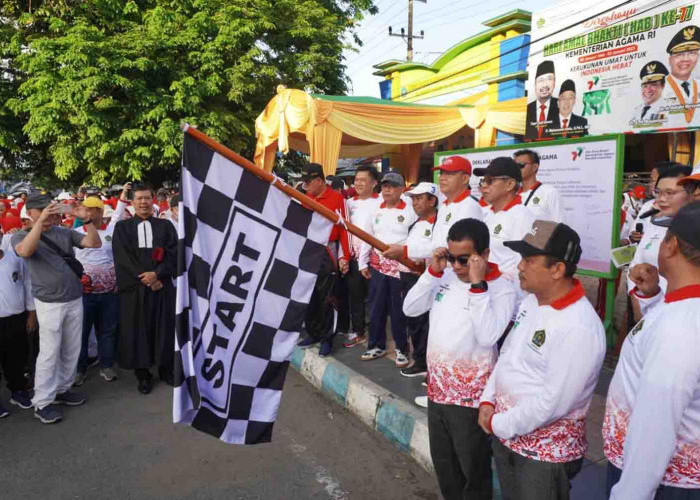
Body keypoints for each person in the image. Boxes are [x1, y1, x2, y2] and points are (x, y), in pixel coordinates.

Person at [478, 220, 606, 500]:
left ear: (558, 269)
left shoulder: (578, 326)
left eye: (529, 259)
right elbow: (508, 355)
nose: (520, 266)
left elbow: (555, 402)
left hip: (544, 458)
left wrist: (500, 424)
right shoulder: (531, 301)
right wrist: (488, 400)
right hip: (508, 436)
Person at [404, 218, 517, 499]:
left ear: (485, 255)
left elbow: (489, 335)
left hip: (470, 401)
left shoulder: (502, 288)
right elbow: (410, 307)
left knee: (473, 473)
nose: (456, 266)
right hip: (437, 392)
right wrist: (432, 272)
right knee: (446, 469)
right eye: (452, 258)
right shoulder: (446, 277)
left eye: (464, 259)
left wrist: (478, 286)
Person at [604, 202, 700, 499]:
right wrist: (652, 297)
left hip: (661, 483)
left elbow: (656, 423)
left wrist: (629, 493)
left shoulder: (681, 326)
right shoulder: (680, 311)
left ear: (670, 246)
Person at [12, 190, 102, 424]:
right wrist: (40, 224)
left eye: (50, 209)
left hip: (74, 298)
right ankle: (42, 402)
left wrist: (88, 220)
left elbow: (94, 242)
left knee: (71, 348)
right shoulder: (21, 235)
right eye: (42, 210)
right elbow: (25, 251)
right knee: (50, 353)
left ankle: (62, 389)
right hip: (49, 303)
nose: (49, 214)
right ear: (31, 213)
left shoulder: (63, 232)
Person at [112, 183, 178, 394]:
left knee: (164, 329)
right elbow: (123, 259)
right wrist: (147, 278)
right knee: (138, 332)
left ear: (153, 200)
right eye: (139, 198)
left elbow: (174, 254)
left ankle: (166, 369)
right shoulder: (122, 228)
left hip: (162, 288)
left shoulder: (165, 226)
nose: (143, 202)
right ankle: (143, 374)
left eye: (147, 198)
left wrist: (158, 274)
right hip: (135, 290)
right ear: (131, 202)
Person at [73, 185, 130, 386]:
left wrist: (123, 194)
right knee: (81, 331)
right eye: (84, 209)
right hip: (85, 292)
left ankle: (106, 366)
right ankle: (79, 369)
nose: (86, 212)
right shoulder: (77, 232)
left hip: (109, 291)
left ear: (99, 211)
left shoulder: (112, 230)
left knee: (108, 330)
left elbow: (120, 211)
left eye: (90, 209)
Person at [358, 171, 416, 366]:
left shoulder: (410, 211)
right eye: (384, 186)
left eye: (392, 186)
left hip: (401, 267)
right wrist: (362, 262)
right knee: (376, 308)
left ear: (401, 189)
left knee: (398, 310)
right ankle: (376, 345)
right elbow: (368, 237)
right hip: (378, 267)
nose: (387, 190)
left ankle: (401, 348)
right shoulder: (375, 211)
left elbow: (414, 240)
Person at [383, 182, 439, 377]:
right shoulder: (415, 223)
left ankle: (426, 363)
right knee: (413, 320)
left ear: (432, 200)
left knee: (426, 322)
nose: (415, 203)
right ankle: (420, 360)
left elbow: (436, 251)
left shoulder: (439, 224)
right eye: (413, 199)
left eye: (419, 198)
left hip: (425, 278)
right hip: (407, 276)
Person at [296, 163, 350, 357]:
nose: (305, 185)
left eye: (308, 181)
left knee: (327, 296)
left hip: (329, 249)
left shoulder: (337, 198)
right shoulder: (306, 197)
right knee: (309, 293)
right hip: (309, 249)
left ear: (319, 180)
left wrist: (345, 255)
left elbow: (345, 228)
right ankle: (313, 333)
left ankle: (327, 338)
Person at [627, 165, 693, 322]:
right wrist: (639, 301)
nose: (661, 199)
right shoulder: (656, 220)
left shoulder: (693, 235)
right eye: (659, 192)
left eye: (670, 193)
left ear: (692, 193)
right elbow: (636, 261)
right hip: (647, 307)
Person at [475, 157, 535, 284]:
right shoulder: (486, 213)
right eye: (483, 181)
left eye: (490, 181)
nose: (484, 186)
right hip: (485, 288)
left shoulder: (521, 216)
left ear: (510, 184)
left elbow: (523, 265)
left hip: (507, 294)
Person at [0, 216, 37, 417]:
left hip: (17, 317)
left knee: (16, 357)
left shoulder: (13, 257)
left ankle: (18, 391)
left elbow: (27, 284)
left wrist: (32, 314)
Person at [343, 165, 382, 348]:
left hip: (375, 259)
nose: (358, 183)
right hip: (353, 258)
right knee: (355, 297)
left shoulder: (381, 202)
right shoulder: (349, 203)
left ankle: (376, 335)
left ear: (374, 183)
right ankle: (359, 331)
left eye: (363, 180)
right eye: (356, 179)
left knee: (375, 299)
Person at [432, 156, 483, 250]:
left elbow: (459, 246)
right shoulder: (443, 206)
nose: (442, 178)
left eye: (448, 174)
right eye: (441, 173)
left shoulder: (470, 206)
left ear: (464, 179)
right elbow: (437, 242)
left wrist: (406, 250)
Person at [514, 149, 565, 223]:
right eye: (514, 166)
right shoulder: (511, 195)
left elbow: (560, 226)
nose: (516, 169)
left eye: (521, 165)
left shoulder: (549, 192)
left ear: (534, 167)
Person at [663, 26, 700, 127]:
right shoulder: (659, 90)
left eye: (692, 53)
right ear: (670, 59)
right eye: (679, 54)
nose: (685, 59)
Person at [526, 60, 559, 141]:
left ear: (554, 83)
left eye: (549, 79)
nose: (545, 84)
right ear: (535, 85)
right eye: (541, 80)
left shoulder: (562, 106)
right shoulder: (526, 110)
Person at [631, 61, 669, 126]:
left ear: (663, 86)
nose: (648, 90)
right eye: (645, 86)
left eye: (653, 85)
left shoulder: (668, 109)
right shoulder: (637, 110)